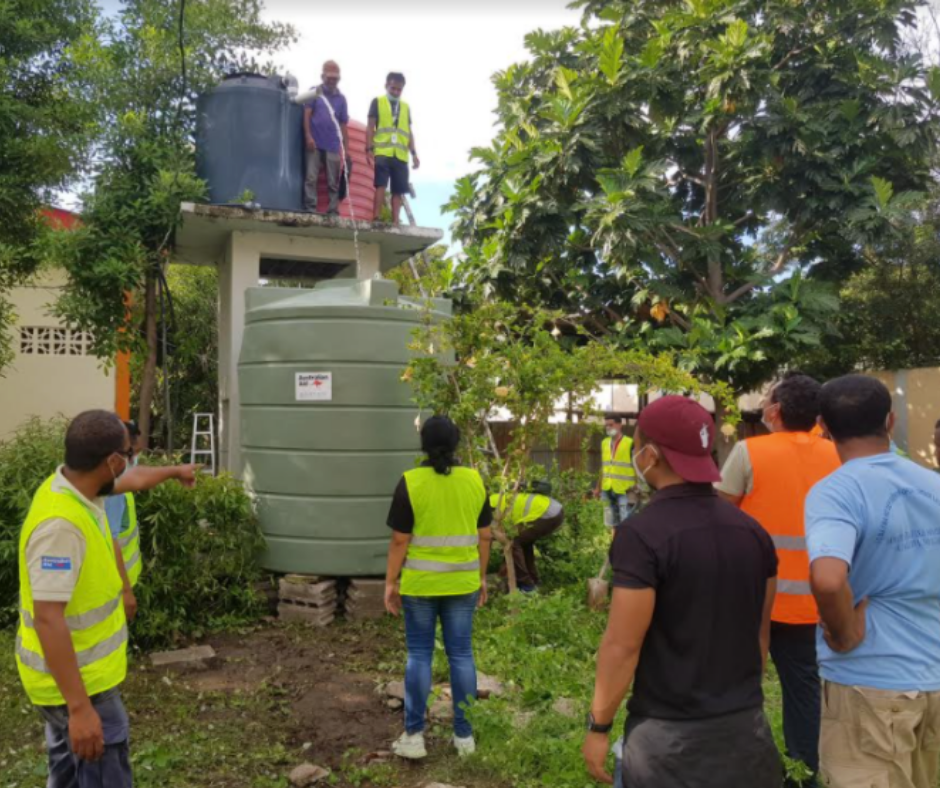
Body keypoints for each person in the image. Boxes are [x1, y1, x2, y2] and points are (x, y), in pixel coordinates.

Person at [583, 396, 781, 788]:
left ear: (650, 455)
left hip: (667, 745)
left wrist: (599, 727)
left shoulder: (641, 536)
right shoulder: (754, 533)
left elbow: (622, 646)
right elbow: (760, 633)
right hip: (746, 735)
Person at [15, 410, 198, 788]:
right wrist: (80, 709)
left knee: (67, 770)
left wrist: (174, 471)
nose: (131, 461)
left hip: (78, 679)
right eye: (128, 454)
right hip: (77, 686)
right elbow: (48, 618)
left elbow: (135, 480)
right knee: (104, 770)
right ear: (112, 460)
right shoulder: (60, 527)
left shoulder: (78, 489)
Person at [806, 375, 940, 788]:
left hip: (870, 688)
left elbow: (828, 580)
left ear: (823, 426)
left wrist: (844, 633)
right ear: (890, 419)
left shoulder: (836, 492)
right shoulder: (933, 484)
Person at [717, 372, 840, 784]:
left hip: (751, 596)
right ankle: (803, 772)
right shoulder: (836, 455)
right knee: (803, 691)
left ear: (776, 411)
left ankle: (733, 768)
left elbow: (718, 514)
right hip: (810, 601)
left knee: (734, 683)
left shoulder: (749, 452)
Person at [384, 416, 493, 760]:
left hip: (420, 585)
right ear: (457, 443)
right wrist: (482, 576)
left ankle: (414, 736)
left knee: (419, 655)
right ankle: (464, 737)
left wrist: (390, 582)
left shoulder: (411, 482)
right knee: (461, 654)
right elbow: (485, 535)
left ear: (423, 445)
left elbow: (400, 539)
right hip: (463, 582)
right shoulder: (475, 480)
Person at [104, 420, 200, 620]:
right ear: (114, 458)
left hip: (111, 585)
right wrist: (125, 591)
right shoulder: (108, 495)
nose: (136, 459)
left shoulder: (105, 483)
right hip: (109, 587)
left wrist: (176, 471)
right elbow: (110, 541)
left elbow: (137, 476)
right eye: (132, 453)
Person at [366, 72, 420, 225]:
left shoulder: (405, 107)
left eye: (399, 90)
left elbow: (409, 132)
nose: (396, 92)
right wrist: (368, 148)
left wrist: (414, 153)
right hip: (382, 151)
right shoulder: (377, 102)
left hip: (401, 155)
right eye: (393, 88)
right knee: (381, 184)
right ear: (386, 86)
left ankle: (396, 221)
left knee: (399, 189)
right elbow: (370, 127)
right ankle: (376, 217)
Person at [490, 487, 564, 593]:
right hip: (554, 510)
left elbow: (491, 536)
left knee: (515, 543)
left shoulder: (489, 507)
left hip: (546, 513)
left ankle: (526, 585)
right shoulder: (495, 499)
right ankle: (533, 580)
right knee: (525, 542)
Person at [303, 60, 350, 215]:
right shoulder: (314, 92)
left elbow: (343, 125)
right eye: (329, 77)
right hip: (315, 143)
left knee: (333, 181)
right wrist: (308, 136)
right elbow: (306, 115)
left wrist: (347, 149)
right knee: (311, 177)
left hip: (333, 144)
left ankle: (333, 210)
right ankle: (310, 208)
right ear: (322, 76)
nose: (332, 80)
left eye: (335, 78)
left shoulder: (342, 99)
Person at [593, 415, 636, 527]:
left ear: (620, 425)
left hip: (625, 490)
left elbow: (637, 466)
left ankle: (625, 544)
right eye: (606, 425)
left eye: (611, 424)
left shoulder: (630, 443)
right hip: (607, 489)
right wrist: (598, 487)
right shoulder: (604, 443)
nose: (607, 427)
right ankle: (613, 543)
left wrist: (637, 487)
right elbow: (604, 467)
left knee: (626, 524)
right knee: (610, 524)